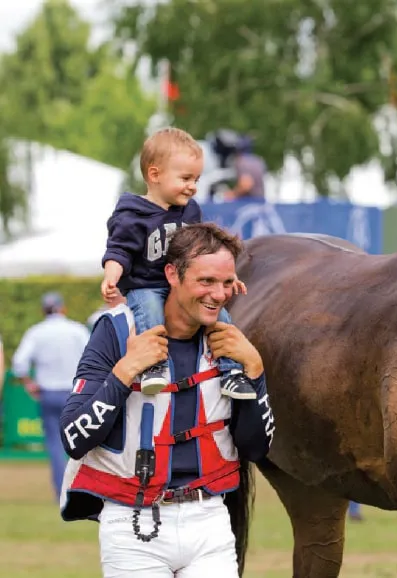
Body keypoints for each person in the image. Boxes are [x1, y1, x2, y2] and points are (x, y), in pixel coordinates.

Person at [59, 222, 275, 578]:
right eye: (206, 281)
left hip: (210, 522)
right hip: (131, 522)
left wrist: (256, 372)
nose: (219, 295)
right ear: (172, 274)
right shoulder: (116, 331)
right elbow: (74, 437)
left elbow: (256, 447)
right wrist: (125, 372)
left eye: (226, 283)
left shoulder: (231, 344)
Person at [101, 127, 256, 401]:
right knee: (150, 312)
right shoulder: (131, 214)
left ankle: (231, 372)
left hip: (183, 286)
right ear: (154, 175)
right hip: (146, 284)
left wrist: (227, 279)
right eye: (185, 178)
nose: (193, 186)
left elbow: (205, 251)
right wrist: (111, 277)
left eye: (196, 179)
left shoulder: (191, 210)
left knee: (221, 316)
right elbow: (119, 250)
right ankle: (154, 366)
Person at [11, 292, 90, 499]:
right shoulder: (76, 330)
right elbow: (93, 359)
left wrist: (29, 383)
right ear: (63, 308)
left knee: (55, 445)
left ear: (43, 310)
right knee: (84, 441)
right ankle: (85, 489)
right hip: (76, 393)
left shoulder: (36, 332)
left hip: (49, 394)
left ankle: (62, 492)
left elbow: (20, 362)